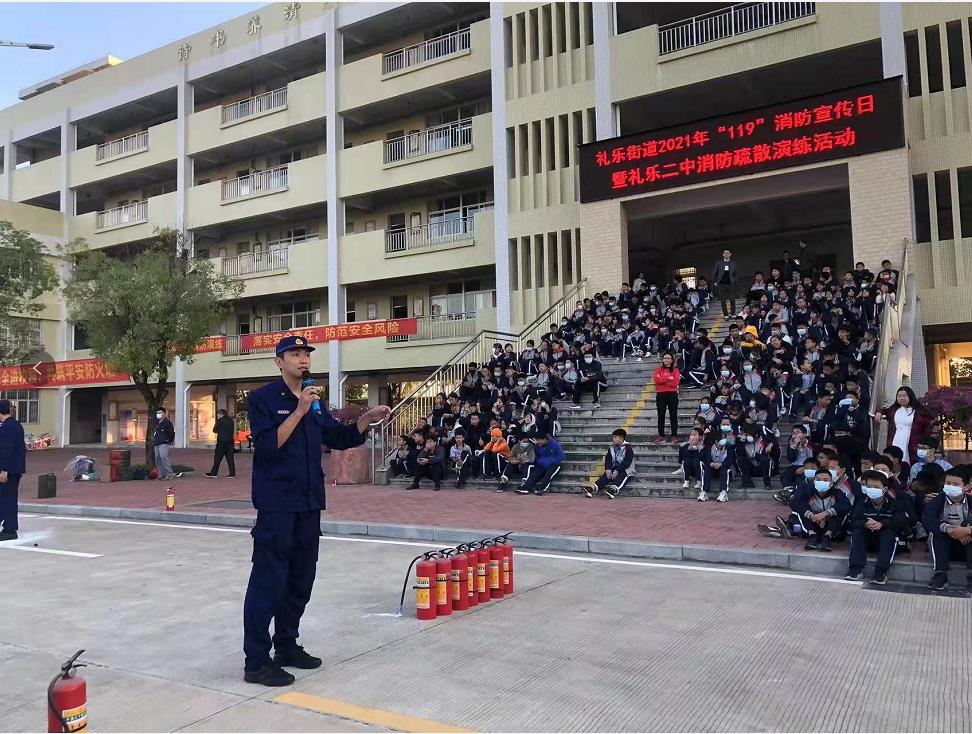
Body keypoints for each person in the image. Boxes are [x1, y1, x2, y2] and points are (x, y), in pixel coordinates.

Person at [243, 335, 391, 686]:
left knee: (301, 579)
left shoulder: (315, 403)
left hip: (309, 504)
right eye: (294, 354)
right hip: (277, 505)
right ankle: (256, 661)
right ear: (279, 362)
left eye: (306, 354)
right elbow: (266, 447)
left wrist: (366, 418)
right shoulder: (263, 399)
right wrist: (298, 411)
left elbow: (338, 437)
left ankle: (287, 645)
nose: (303, 360)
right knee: (268, 581)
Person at [845, 470, 911, 584]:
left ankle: (881, 572)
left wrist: (882, 524)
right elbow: (853, 520)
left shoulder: (894, 503)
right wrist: (866, 523)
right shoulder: (862, 502)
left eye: (876, 487)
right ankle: (855, 569)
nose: (872, 489)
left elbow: (900, 522)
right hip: (869, 539)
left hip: (889, 541)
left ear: (884, 489)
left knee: (888, 532)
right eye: (869, 486)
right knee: (857, 532)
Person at [923, 468, 972, 590]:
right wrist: (948, 528)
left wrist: (967, 531)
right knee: (936, 533)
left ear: (966, 486)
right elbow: (927, 518)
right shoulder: (938, 500)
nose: (950, 487)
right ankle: (940, 573)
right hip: (945, 545)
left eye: (955, 484)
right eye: (948, 483)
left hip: (967, 543)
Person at [790, 468, 851, 552]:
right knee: (799, 512)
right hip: (813, 522)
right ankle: (812, 536)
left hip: (831, 526)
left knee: (842, 512)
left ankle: (827, 537)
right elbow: (796, 503)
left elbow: (846, 505)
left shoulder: (837, 492)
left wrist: (826, 513)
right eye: (818, 480)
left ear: (831, 483)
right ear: (814, 481)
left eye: (825, 480)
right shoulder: (808, 491)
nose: (821, 482)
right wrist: (812, 516)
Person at [873, 386, 933, 464]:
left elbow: (927, 428)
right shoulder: (894, 409)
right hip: (896, 440)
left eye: (904, 396)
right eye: (899, 396)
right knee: (894, 461)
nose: (901, 398)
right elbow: (885, 411)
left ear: (910, 396)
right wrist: (879, 412)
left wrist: (924, 442)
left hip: (913, 442)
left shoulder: (920, 411)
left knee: (911, 462)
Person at [583, 428, 635, 499]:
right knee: (606, 476)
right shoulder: (611, 448)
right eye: (613, 437)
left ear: (621, 438)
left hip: (626, 469)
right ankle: (592, 488)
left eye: (615, 437)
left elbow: (627, 462)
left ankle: (613, 489)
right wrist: (608, 469)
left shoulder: (628, 448)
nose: (613, 439)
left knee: (623, 477)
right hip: (615, 467)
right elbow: (608, 459)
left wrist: (617, 470)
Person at [0, 399, 26, 541]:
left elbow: (6, 450)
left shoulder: (6, 428)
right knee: (6, 499)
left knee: (7, 500)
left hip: (8, 471)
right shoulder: (17, 425)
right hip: (16, 469)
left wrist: (4, 470)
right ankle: (8, 526)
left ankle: (10, 530)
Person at [653, 352, 681, 444]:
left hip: (672, 394)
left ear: (672, 360)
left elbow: (675, 382)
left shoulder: (675, 370)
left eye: (669, 358)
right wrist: (669, 378)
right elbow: (657, 380)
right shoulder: (658, 369)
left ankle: (674, 436)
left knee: (673, 415)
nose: (666, 360)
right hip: (661, 394)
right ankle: (661, 436)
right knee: (661, 416)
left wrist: (663, 380)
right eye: (665, 358)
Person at [206, 409, 237, 478]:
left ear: (220, 414)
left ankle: (214, 473)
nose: (217, 416)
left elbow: (214, 430)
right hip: (230, 441)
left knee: (217, 457)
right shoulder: (231, 420)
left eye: (218, 415)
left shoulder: (219, 421)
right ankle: (232, 473)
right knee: (230, 458)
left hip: (221, 441)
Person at [152, 407, 179, 480]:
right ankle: (162, 474)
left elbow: (171, 433)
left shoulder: (167, 423)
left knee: (163, 456)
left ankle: (169, 473)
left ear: (164, 413)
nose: (158, 414)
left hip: (164, 443)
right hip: (157, 443)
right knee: (157, 459)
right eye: (157, 413)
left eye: (160, 413)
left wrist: (170, 440)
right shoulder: (156, 423)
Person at [711, 248, 738, 317]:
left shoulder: (733, 263)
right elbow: (715, 273)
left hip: (730, 283)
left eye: (728, 253)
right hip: (721, 284)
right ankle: (725, 315)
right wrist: (715, 281)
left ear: (730, 254)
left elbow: (735, 273)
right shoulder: (718, 263)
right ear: (723, 255)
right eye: (725, 253)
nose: (726, 254)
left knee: (732, 299)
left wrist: (734, 280)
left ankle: (733, 314)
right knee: (723, 300)